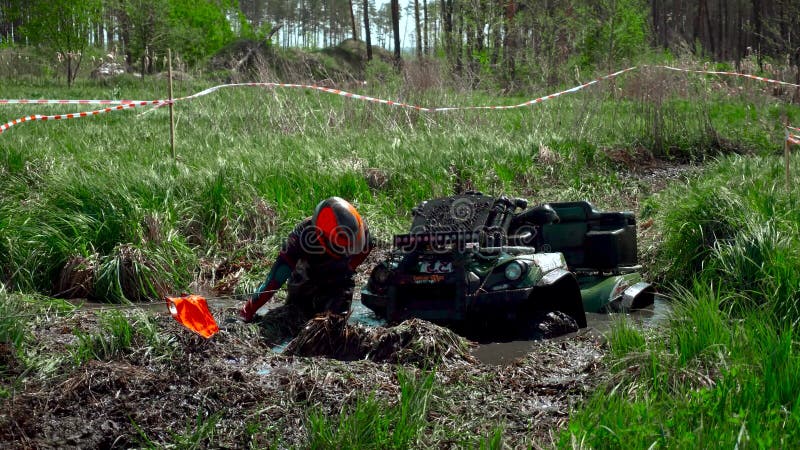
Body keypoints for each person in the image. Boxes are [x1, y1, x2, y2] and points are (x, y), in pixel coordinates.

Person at [240, 196, 373, 323]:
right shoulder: (299, 239)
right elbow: (273, 281)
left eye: (350, 247)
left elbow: (363, 252)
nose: (347, 251)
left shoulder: (362, 234)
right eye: (341, 246)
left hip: (340, 278)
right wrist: (248, 311)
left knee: (335, 323)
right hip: (306, 277)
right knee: (296, 316)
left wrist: (349, 268)